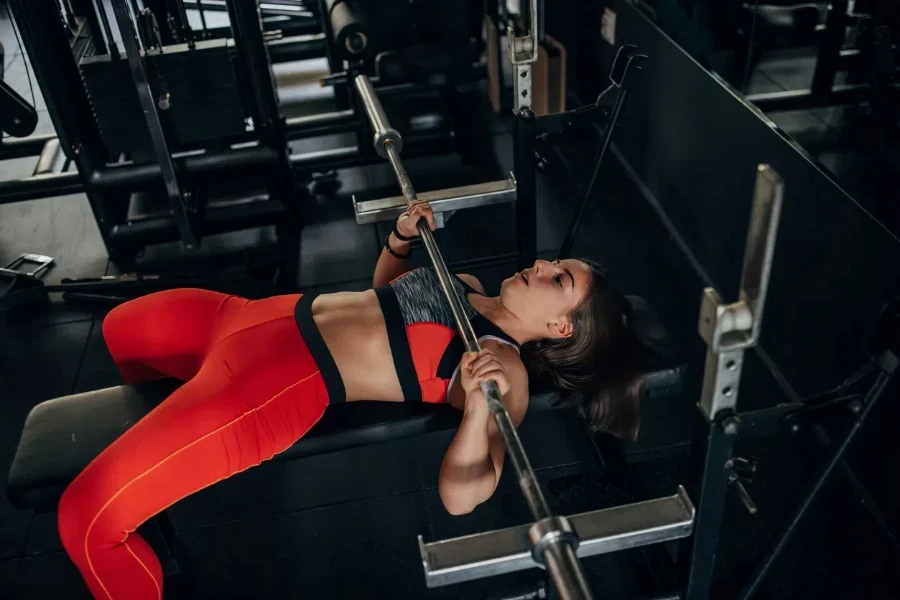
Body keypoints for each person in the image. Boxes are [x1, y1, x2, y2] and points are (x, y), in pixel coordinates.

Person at [56, 200, 653, 600]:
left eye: (559, 280)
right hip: (245, 317)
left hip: (271, 383)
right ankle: (158, 494)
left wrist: (476, 408)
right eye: (555, 263)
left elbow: (463, 497)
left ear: (561, 330)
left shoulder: (505, 369)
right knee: (121, 330)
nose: (543, 264)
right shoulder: (466, 285)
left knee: (86, 520)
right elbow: (381, 300)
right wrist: (398, 238)